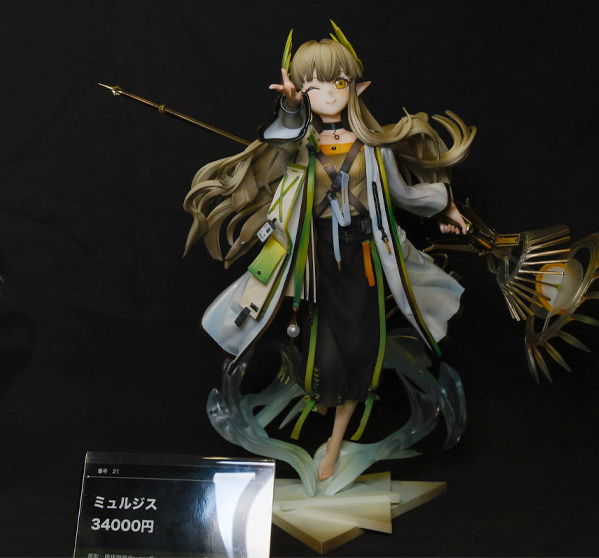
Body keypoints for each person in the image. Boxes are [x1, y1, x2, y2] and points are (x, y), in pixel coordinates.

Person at [184, 24, 475, 481]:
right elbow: (281, 136)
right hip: (312, 259)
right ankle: (320, 402)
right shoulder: (298, 147)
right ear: (302, 92)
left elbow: (403, 194)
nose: (328, 93)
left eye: (338, 82)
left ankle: (334, 445)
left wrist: (447, 206)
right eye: (313, 85)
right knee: (321, 349)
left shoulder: (374, 148)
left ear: (357, 87)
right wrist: (290, 108)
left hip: (364, 258)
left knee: (362, 348)